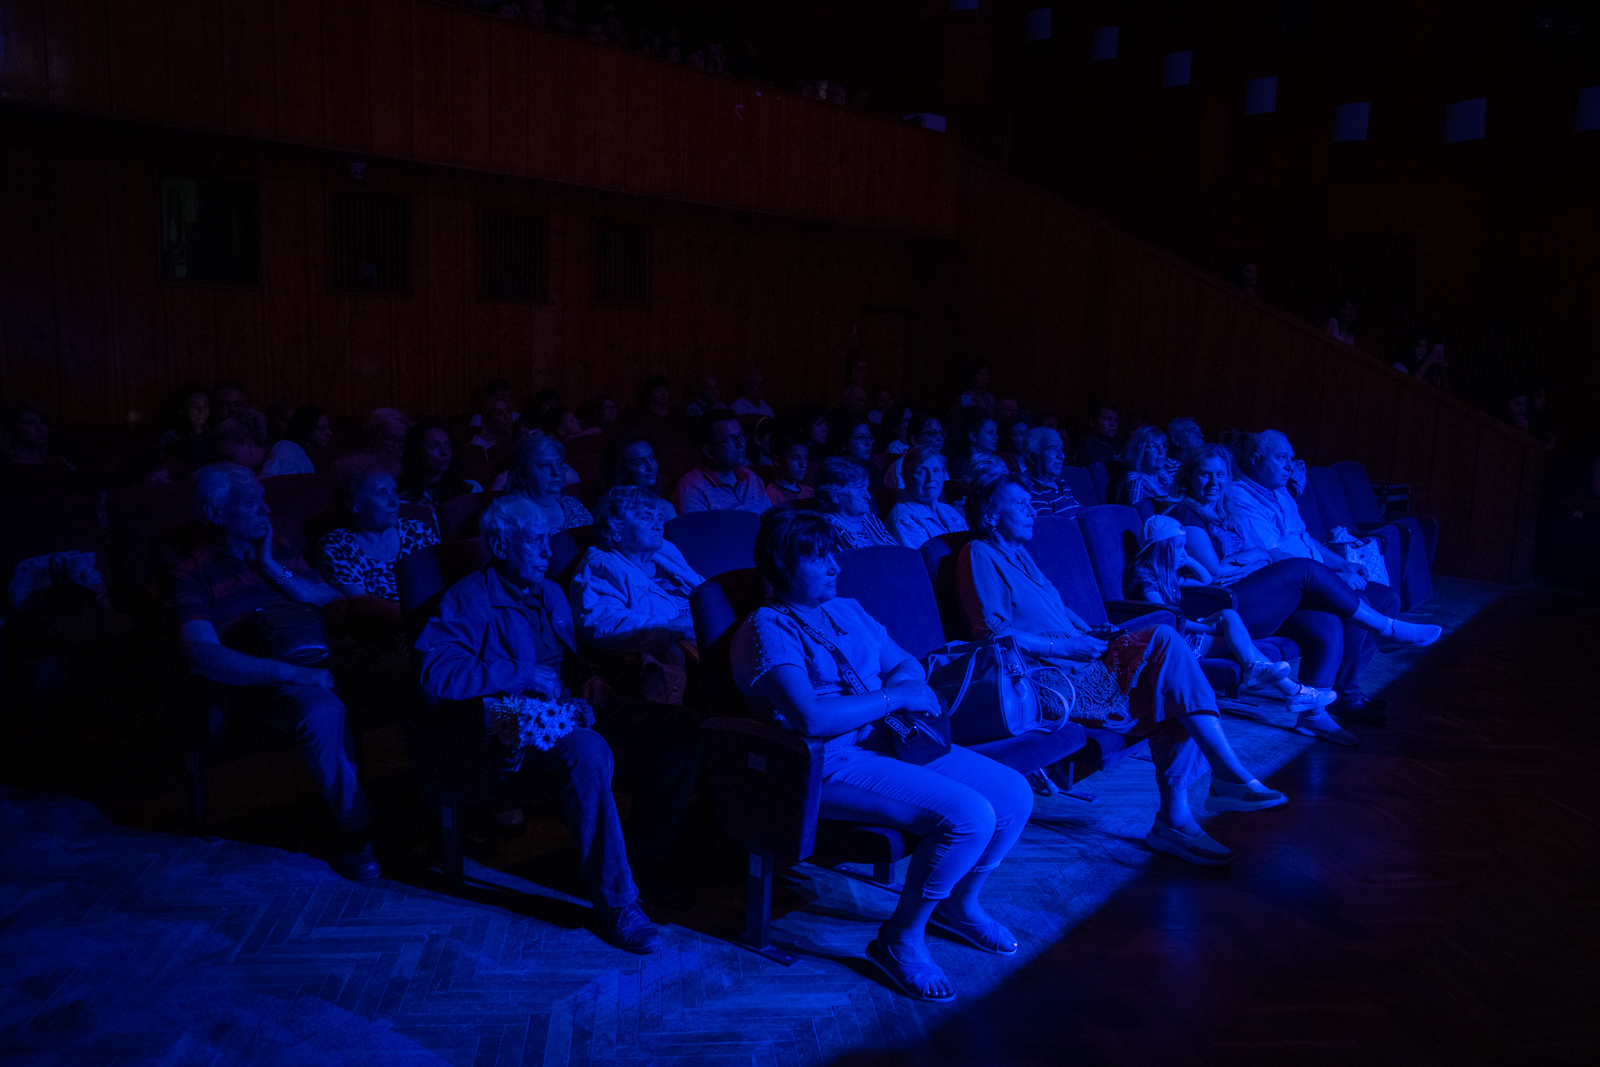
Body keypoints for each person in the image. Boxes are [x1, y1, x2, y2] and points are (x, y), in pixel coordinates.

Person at [732, 508, 1033, 1001]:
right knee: (970, 816)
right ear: (783, 565)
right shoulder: (767, 629)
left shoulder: (846, 609)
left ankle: (960, 905)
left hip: (890, 741)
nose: (835, 566)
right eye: (818, 557)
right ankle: (900, 940)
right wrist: (896, 696)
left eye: (833, 554)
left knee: (1014, 795)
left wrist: (904, 685)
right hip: (827, 762)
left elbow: (905, 663)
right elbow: (812, 719)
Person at [956, 474, 1288, 868]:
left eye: (1031, 503)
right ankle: (1199, 798)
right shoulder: (979, 553)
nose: (1031, 511)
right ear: (990, 516)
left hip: (1080, 658)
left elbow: (1057, 611)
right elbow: (992, 634)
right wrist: (1067, 646)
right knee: (1164, 642)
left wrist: (1091, 632)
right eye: (1019, 504)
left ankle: (1184, 812)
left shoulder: (1021, 554)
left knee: (1171, 677)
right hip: (1048, 676)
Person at [417, 496, 700, 952]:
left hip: (570, 708)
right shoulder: (469, 598)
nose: (548, 552)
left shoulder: (549, 591)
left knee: (680, 728)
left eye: (548, 540)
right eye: (535, 542)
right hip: (511, 724)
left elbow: (571, 658)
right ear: (500, 546)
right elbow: (437, 675)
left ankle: (644, 861)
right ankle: (617, 902)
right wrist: (521, 674)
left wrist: (592, 676)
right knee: (588, 749)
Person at [166, 463, 378, 881]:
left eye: (264, 499)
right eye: (251, 503)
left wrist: (271, 567)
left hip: (328, 655)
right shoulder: (190, 573)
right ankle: (358, 831)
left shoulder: (277, 546)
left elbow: (333, 599)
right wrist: (291, 675)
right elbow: (201, 654)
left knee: (413, 672)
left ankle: (446, 809)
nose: (266, 509)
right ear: (215, 513)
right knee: (321, 708)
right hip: (265, 677)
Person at [1228, 432, 1436, 723]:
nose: (1290, 466)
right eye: (1281, 458)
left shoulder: (1281, 492)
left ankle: (1344, 689)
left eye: (1291, 458)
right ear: (1255, 460)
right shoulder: (1239, 497)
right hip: (1287, 592)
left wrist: (1342, 564)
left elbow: (1306, 539)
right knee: (1358, 602)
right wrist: (1333, 578)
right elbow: (1273, 558)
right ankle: (1347, 696)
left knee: (1387, 599)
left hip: (1318, 578)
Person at [1123, 515, 1350, 743]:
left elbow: (1204, 580)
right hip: (1171, 641)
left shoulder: (1166, 574)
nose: (1183, 552)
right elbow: (1166, 616)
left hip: (1183, 630)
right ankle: (1292, 691)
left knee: (1230, 616)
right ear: (1161, 549)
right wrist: (1203, 627)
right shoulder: (1145, 576)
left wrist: (1188, 560)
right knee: (1241, 642)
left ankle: (1268, 676)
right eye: (1179, 547)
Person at [568, 486, 704, 705]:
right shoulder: (600, 567)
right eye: (646, 518)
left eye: (659, 517)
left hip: (704, 640)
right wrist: (675, 626)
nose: (658, 525)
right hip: (682, 662)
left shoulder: (665, 551)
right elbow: (604, 625)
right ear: (615, 529)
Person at [318, 458, 440, 603]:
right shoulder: (338, 546)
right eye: (381, 493)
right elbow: (363, 604)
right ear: (353, 504)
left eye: (394, 490)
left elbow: (447, 577)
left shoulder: (417, 531)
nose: (394, 502)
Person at [670, 409, 769, 515]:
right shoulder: (691, 489)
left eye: (741, 435)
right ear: (709, 452)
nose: (740, 444)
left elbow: (771, 520)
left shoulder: (751, 478)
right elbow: (695, 526)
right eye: (731, 439)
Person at [505, 434, 593, 531]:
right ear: (522, 475)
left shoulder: (572, 504)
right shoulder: (507, 517)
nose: (556, 472)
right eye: (545, 465)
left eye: (558, 464)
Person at [886, 445, 966, 549]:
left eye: (936, 470)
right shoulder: (903, 517)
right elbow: (922, 558)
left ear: (943, 475)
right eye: (921, 472)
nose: (931, 478)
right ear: (907, 478)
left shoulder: (948, 510)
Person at [815, 457, 895, 549]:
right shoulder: (824, 530)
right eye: (859, 487)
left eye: (866, 487)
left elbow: (896, 552)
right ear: (834, 495)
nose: (868, 496)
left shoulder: (870, 519)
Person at [398, 418, 482, 506]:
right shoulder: (400, 493)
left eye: (447, 445)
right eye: (434, 445)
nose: (444, 452)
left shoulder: (468, 489)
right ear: (417, 450)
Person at [0, 401, 78, 492]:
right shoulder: (5, 466)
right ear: (13, 428)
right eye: (30, 423)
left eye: (43, 422)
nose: (40, 428)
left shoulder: (56, 463)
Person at [601, 431, 678, 520]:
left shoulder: (664, 507)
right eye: (639, 462)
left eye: (652, 457)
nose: (651, 467)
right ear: (621, 471)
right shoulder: (611, 512)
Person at [1019, 427, 1080, 516]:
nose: (1062, 456)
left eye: (1061, 449)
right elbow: (1053, 524)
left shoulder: (1061, 482)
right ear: (1031, 457)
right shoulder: (1028, 490)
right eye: (1052, 449)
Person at [260, 406, 332, 478]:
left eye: (328, 427)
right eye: (322, 428)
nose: (329, 433)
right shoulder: (286, 449)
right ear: (306, 429)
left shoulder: (322, 458)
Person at [1114, 425, 1175, 507]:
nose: (1161, 452)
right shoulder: (1136, 480)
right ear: (1139, 451)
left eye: (1163, 446)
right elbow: (1137, 514)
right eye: (1153, 446)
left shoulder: (1163, 474)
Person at [882, 414, 945, 490]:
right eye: (932, 433)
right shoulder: (901, 468)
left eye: (941, 433)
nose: (940, 438)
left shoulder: (938, 464)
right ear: (914, 440)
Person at [160, 382, 214, 469]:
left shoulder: (214, 431)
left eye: (206, 406)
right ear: (182, 409)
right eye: (195, 407)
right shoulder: (170, 436)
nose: (202, 411)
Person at [765, 433, 815, 507]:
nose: (803, 464)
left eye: (805, 458)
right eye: (795, 458)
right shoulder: (771, 495)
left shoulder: (809, 492)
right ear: (777, 461)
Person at [1072, 401, 1120, 468]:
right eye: (1107, 419)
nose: (1113, 424)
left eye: (1116, 420)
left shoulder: (1117, 447)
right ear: (1093, 422)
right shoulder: (1085, 448)